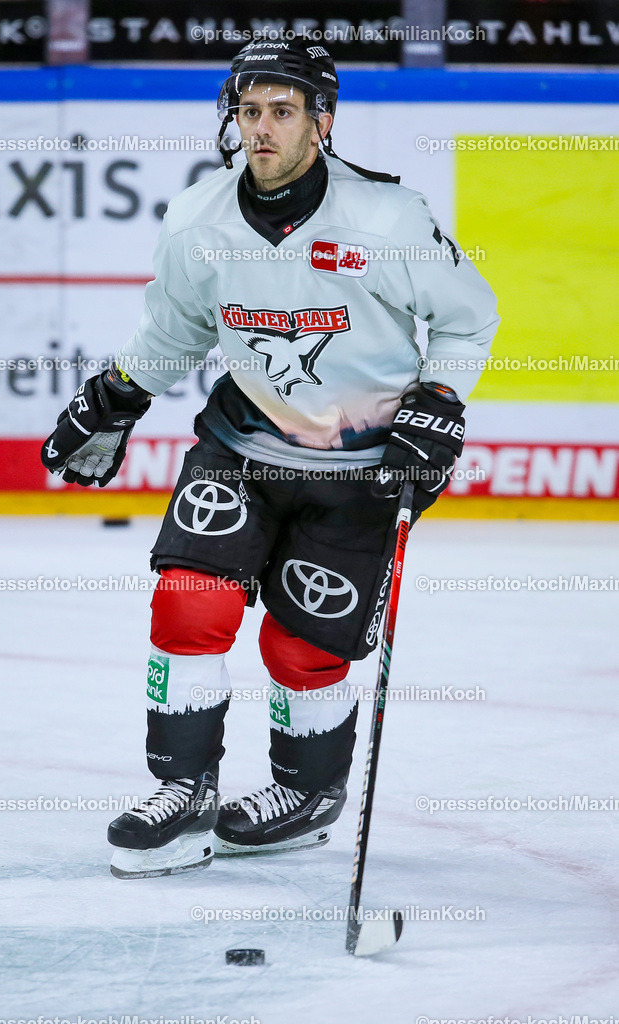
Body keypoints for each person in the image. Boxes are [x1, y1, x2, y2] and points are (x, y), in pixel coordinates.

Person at [41, 37, 499, 878]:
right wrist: (118, 393)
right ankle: (184, 786)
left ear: (320, 122)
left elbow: (469, 318)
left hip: (364, 466)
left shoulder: (386, 220)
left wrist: (437, 401)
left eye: (282, 111)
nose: (261, 128)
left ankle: (305, 791)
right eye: (248, 110)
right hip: (240, 446)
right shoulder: (197, 219)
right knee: (187, 603)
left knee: (299, 648)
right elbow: (176, 329)